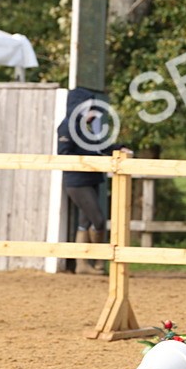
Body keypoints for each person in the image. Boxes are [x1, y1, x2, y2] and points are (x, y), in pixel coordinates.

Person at [56, 88, 116, 274]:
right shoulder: (66, 127)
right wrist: (93, 155)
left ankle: (83, 264)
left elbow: (99, 147)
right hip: (78, 180)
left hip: (91, 177)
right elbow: (64, 152)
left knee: (85, 222)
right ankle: (98, 262)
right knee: (98, 220)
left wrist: (119, 148)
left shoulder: (87, 127)